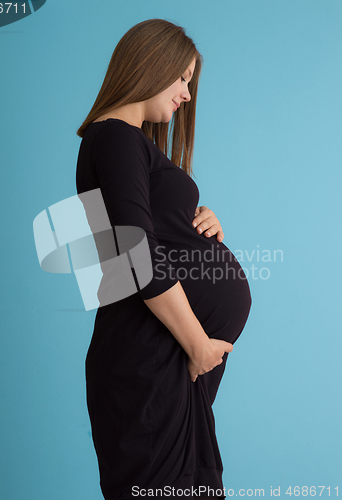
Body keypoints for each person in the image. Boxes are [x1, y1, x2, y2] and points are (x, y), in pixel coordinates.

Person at [75, 18, 252, 500]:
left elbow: (145, 235)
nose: (187, 95)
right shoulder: (113, 136)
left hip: (164, 361)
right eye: (183, 79)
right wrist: (198, 344)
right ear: (153, 64)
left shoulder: (127, 143)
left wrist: (200, 221)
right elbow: (134, 252)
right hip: (152, 360)